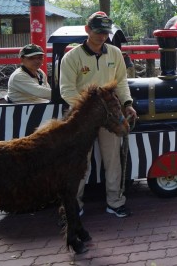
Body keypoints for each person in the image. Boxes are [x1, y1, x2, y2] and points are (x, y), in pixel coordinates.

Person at [60, 11, 137, 218]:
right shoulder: (72, 57)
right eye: (98, 32)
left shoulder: (114, 53)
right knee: (78, 162)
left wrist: (127, 103)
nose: (102, 36)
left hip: (109, 116)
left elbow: (121, 82)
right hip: (80, 117)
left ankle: (115, 202)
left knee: (113, 159)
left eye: (105, 32)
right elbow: (66, 89)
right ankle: (73, 207)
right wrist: (86, 110)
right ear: (87, 30)